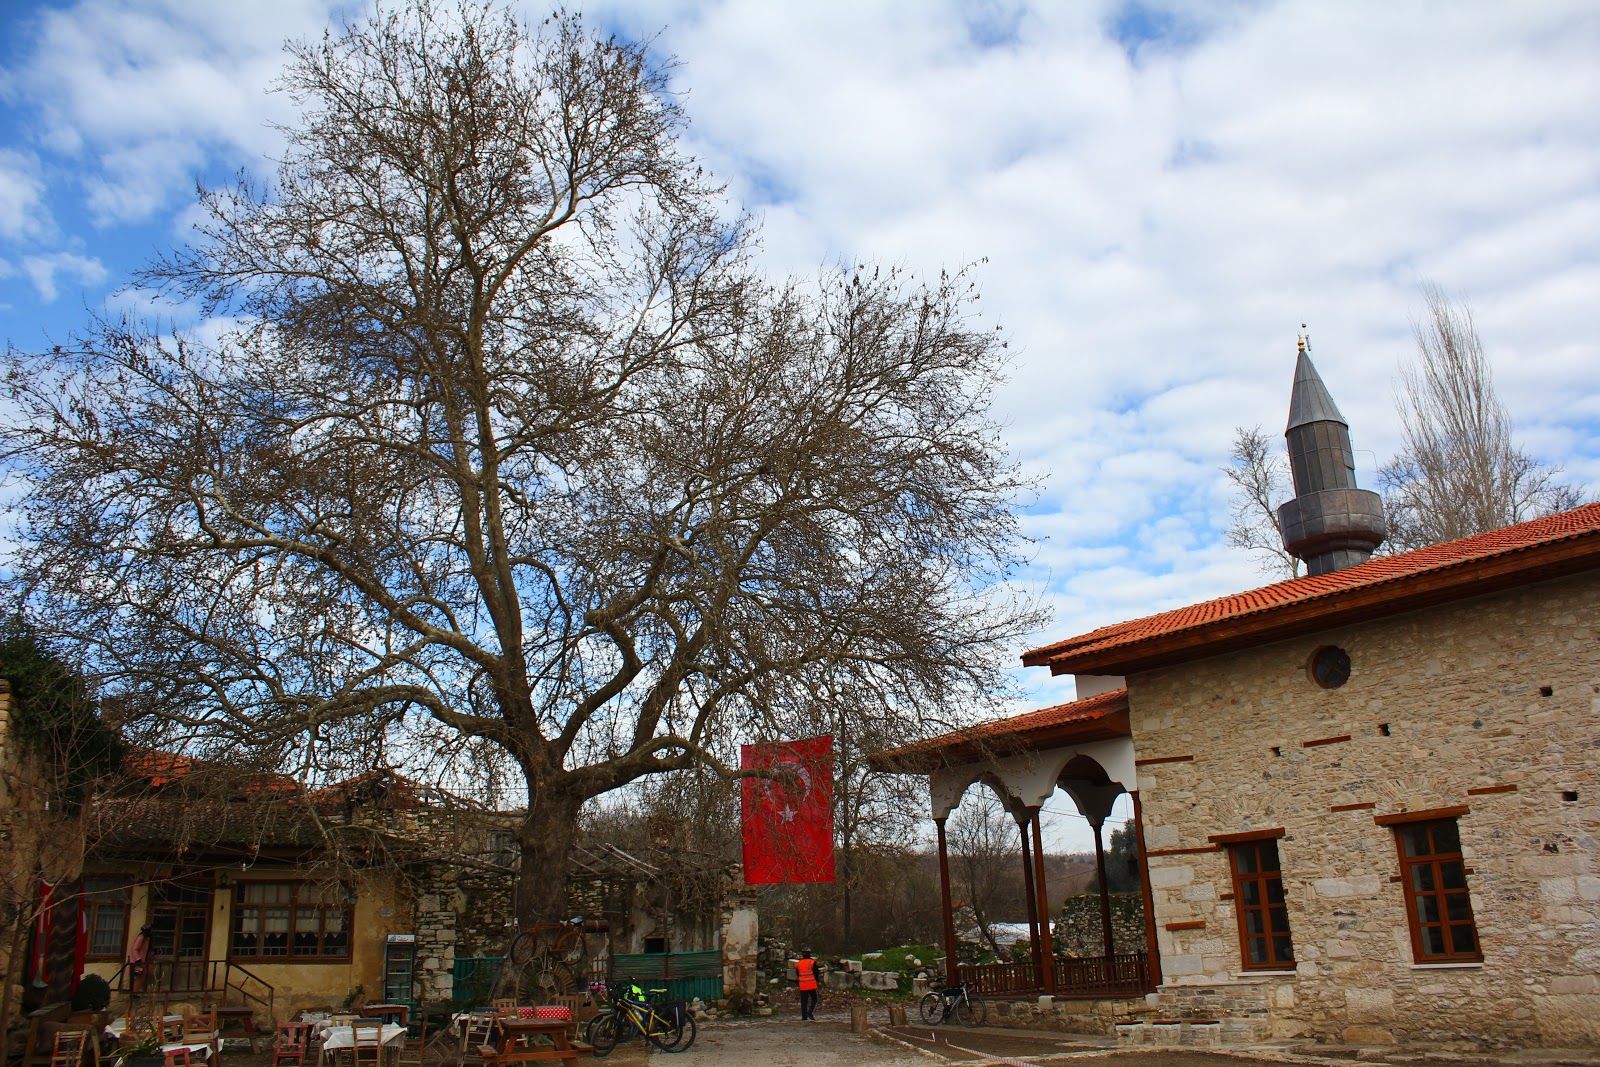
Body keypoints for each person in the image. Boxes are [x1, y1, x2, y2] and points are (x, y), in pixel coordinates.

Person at [795, 947, 819, 1022]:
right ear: (809, 953)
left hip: (802, 985)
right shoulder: (812, 962)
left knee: (804, 1001)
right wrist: (817, 981)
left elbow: (798, 974)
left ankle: (804, 1017)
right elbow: (816, 973)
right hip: (811, 984)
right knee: (814, 998)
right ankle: (810, 1012)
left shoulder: (798, 963)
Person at [127, 925, 151, 993]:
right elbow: (135, 949)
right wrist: (138, 959)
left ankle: (136, 991)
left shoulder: (147, 938)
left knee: (141, 977)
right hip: (137, 962)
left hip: (142, 962)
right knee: (138, 977)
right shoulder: (141, 937)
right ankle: (134, 992)